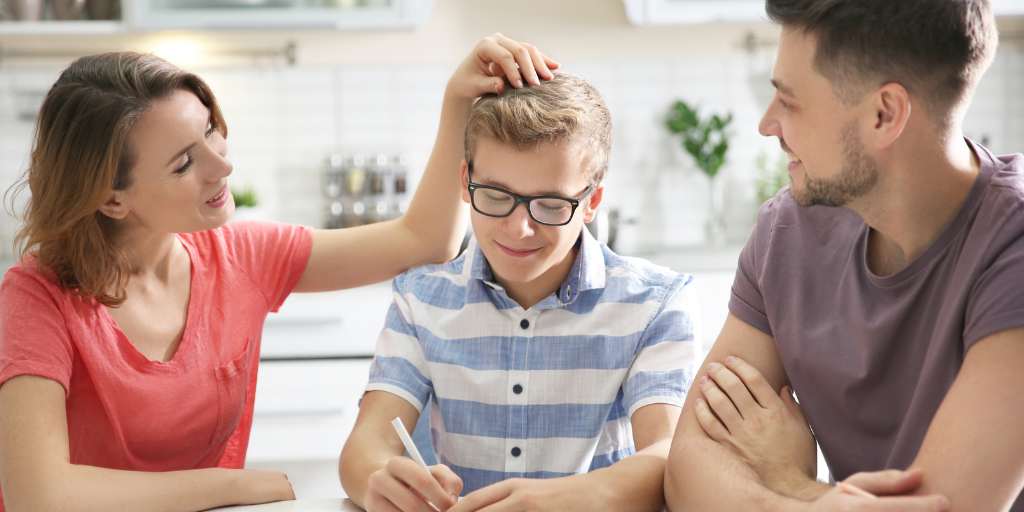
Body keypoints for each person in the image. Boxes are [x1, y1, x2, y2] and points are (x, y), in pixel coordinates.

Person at [0, 34, 558, 512]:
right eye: (184, 162)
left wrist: (457, 100)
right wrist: (232, 485)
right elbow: (37, 494)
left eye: (211, 132)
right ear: (112, 199)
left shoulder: (240, 255)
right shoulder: (35, 297)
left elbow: (424, 241)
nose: (223, 164)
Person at [663, 0, 1024, 510]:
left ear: (884, 114)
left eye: (788, 102)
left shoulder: (1011, 248)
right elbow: (689, 469)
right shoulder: (786, 231)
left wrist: (790, 480)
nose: (768, 126)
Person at [339, 73, 698, 512]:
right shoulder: (421, 300)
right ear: (465, 181)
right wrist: (380, 479)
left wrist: (556, 502)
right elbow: (365, 447)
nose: (519, 228)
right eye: (495, 195)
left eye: (549, 205)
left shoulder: (653, 304)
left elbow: (669, 455)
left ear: (592, 201)